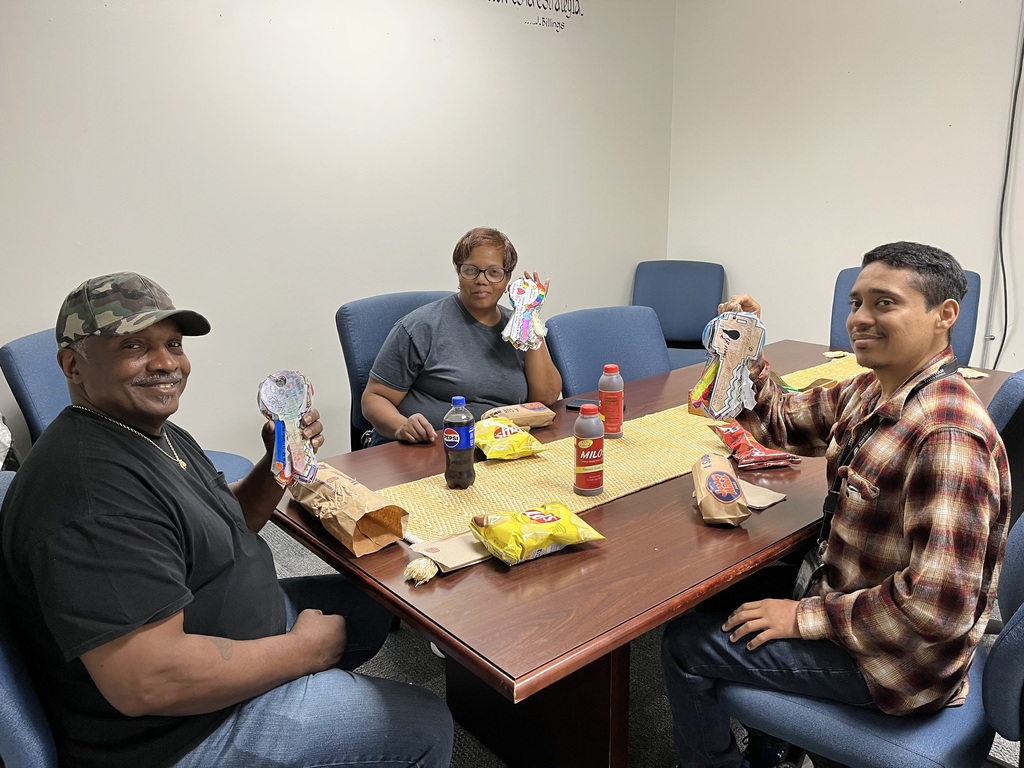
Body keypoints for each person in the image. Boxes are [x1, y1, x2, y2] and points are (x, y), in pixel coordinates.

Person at [0, 272, 453, 768]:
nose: (166, 363)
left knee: (378, 598)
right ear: (73, 365)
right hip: (181, 734)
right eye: (134, 346)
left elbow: (223, 518)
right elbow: (150, 681)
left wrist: (280, 461)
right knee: (426, 724)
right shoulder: (88, 493)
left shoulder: (147, 431)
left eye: (173, 343)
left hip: (227, 633)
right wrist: (304, 652)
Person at [661, 242, 1011, 768]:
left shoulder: (946, 435)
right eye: (855, 303)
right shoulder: (875, 389)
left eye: (884, 303)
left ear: (945, 316)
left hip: (897, 663)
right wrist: (743, 351)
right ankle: (774, 747)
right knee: (716, 601)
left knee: (685, 642)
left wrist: (802, 617)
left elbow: (935, 611)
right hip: (848, 588)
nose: (860, 319)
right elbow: (780, 420)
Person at [362, 226, 562, 444]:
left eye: (494, 272)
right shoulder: (420, 327)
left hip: (498, 446)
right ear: (459, 273)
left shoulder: (519, 328)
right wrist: (401, 426)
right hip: (428, 448)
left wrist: (529, 316)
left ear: (507, 281)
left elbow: (546, 398)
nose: (481, 280)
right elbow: (374, 398)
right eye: (471, 270)